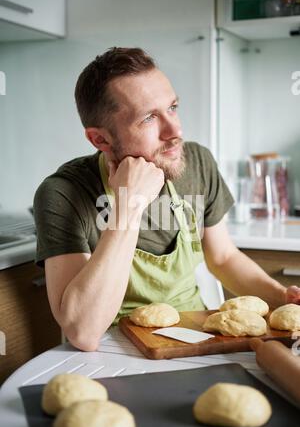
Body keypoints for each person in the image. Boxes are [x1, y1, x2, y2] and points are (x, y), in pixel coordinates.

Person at [33, 47, 300, 351]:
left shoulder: (196, 162)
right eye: (149, 118)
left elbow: (223, 257)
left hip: (197, 337)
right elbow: (83, 332)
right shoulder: (63, 193)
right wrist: (128, 205)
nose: (175, 131)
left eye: (172, 107)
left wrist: (282, 297)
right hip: (113, 349)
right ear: (100, 139)